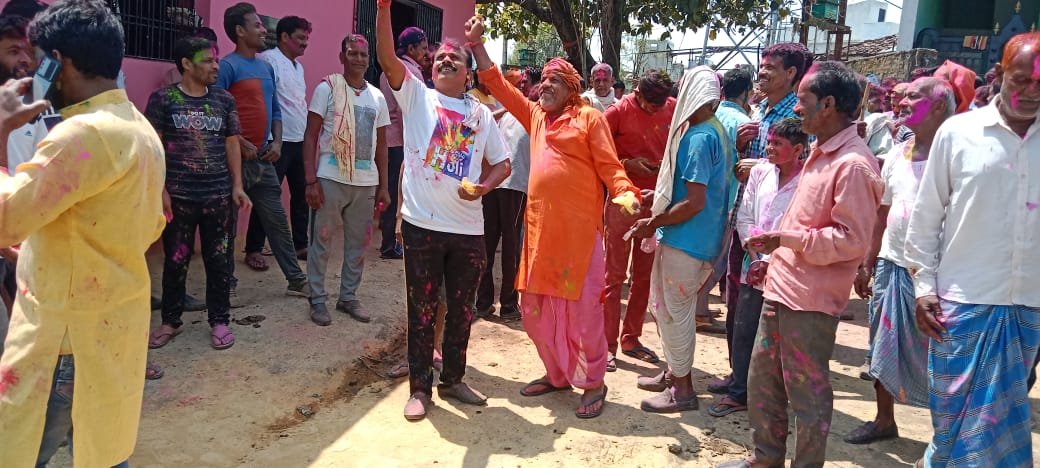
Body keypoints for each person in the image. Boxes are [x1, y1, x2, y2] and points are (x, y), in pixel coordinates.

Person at [0, 1, 166, 466]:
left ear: (59, 62)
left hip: (63, 339)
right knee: (103, 449)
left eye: (38, 61)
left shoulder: (82, 135)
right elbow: (144, 225)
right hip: (113, 325)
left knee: (19, 452)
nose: (32, 72)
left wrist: (0, 130)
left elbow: (5, 220)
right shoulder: (138, 127)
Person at [470, 18, 640, 420]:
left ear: (571, 89)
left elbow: (610, 165)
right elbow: (499, 85)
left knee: (583, 316)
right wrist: (477, 45)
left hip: (578, 240)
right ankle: (558, 374)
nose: (544, 86)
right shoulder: (535, 116)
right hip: (540, 236)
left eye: (554, 81)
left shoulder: (589, 119)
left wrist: (625, 192)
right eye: (543, 80)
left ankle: (594, 381)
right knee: (534, 312)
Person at [719, 61, 882, 468]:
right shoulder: (821, 153)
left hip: (810, 303)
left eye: (803, 100)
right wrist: (775, 257)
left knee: (807, 397)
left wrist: (786, 240)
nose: (795, 108)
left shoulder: (853, 165)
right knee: (763, 383)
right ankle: (765, 459)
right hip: (781, 288)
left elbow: (851, 241)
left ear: (828, 104)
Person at [904, 32, 1040, 467]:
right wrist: (924, 288)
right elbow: (926, 218)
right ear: (999, 74)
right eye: (1021, 80)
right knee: (950, 425)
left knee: (999, 426)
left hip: (1028, 309)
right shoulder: (958, 133)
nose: (1031, 91)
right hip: (959, 305)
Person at [376, 2, 511, 422]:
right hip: (423, 225)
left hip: (468, 229)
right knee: (421, 311)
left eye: (454, 58)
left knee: (461, 310)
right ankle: (420, 389)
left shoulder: (481, 114)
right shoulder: (417, 96)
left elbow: (502, 163)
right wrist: (383, 8)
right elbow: (387, 58)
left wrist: (484, 188)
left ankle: (453, 379)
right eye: (439, 58)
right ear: (430, 70)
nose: (445, 60)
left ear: (468, 74)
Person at [845, 77, 956, 445]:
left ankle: (946, 437)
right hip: (892, 265)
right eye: (903, 96)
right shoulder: (896, 155)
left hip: (941, 275)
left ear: (938, 106)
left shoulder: (957, 155)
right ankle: (884, 420)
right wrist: (867, 261)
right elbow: (882, 213)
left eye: (913, 97)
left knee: (944, 356)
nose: (903, 102)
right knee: (882, 347)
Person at [628, 66, 733, 413]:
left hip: (687, 239)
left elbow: (694, 202)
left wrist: (654, 221)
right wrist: (659, 198)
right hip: (697, 237)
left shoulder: (699, 137)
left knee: (676, 312)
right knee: (668, 308)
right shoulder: (713, 129)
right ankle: (674, 372)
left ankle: (683, 390)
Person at [145, 36, 252, 351]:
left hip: (218, 196)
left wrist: (237, 185)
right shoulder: (163, 99)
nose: (216, 66)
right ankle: (170, 321)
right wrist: (160, 190)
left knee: (219, 261)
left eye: (216, 59)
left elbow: (232, 143)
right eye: (208, 60)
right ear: (186, 64)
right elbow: (154, 148)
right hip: (178, 198)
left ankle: (220, 320)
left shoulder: (223, 100)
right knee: (176, 261)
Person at [708, 117, 805, 418]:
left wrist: (771, 259)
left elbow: (802, 228)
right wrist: (756, 253)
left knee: (777, 337)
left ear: (798, 149)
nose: (770, 148)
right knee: (744, 327)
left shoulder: (807, 181)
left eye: (778, 144)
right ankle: (739, 390)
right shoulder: (761, 172)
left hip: (787, 270)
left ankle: (768, 395)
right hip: (754, 265)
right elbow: (745, 215)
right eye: (770, 142)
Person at [217, 2, 309, 298]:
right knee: (226, 226)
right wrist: (238, 141)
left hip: (262, 158)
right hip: (232, 162)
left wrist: (277, 142)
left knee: (277, 222)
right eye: (256, 25)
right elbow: (216, 111)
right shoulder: (228, 67)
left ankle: (296, 279)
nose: (262, 30)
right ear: (240, 31)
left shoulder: (265, 67)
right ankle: (224, 283)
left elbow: (275, 110)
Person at [303, 34, 391, 326]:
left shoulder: (377, 97)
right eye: (352, 53)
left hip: (365, 183)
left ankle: (348, 297)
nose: (358, 59)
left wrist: (384, 186)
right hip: (330, 178)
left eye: (363, 54)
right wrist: (311, 181)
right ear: (342, 57)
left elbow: (381, 145)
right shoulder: (327, 89)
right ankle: (317, 299)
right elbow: (311, 135)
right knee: (321, 241)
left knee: (358, 244)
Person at [727, 43, 813, 330]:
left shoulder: (800, 115)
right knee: (738, 300)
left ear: (791, 73)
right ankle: (739, 359)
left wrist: (762, 165)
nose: (762, 72)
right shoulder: (758, 110)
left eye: (770, 68)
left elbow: (808, 166)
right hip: (746, 220)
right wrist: (741, 146)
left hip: (778, 229)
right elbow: (745, 164)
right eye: (762, 66)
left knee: (767, 307)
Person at [600, 69, 674, 371]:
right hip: (623, 202)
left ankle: (631, 338)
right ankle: (606, 345)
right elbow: (597, 153)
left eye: (660, 105)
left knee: (644, 276)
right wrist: (627, 163)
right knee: (613, 276)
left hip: (656, 203)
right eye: (649, 104)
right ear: (637, 92)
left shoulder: (671, 107)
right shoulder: (616, 113)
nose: (655, 110)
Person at [475, 68, 537, 321]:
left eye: (524, 83)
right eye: (518, 83)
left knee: (505, 246)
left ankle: (499, 303)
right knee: (494, 245)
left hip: (511, 183)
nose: (521, 86)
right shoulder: (505, 111)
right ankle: (495, 303)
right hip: (497, 182)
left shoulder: (534, 112)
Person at [251, 16, 311, 264]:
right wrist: (271, 140)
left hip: (299, 141)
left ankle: (300, 245)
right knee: (267, 196)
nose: (305, 43)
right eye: (300, 38)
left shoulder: (299, 67)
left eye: (307, 39)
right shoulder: (269, 60)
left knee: (301, 195)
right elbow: (266, 101)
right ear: (284, 37)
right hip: (277, 142)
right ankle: (254, 248)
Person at [377, 26, 427, 260]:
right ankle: (391, 244)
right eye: (423, 48)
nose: (425, 53)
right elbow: (407, 111)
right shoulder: (410, 72)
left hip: (387, 139)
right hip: (400, 140)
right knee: (398, 192)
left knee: (387, 189)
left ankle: (388, 240)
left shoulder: (388, 70)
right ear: (411, 48)